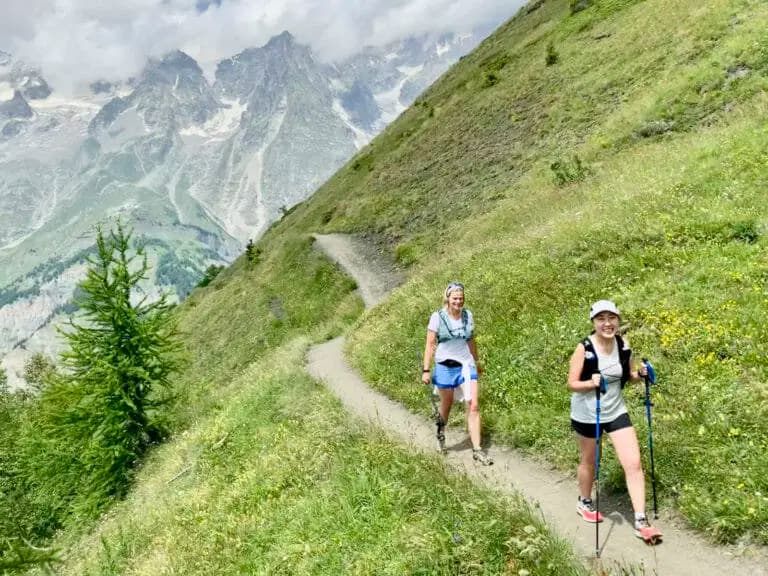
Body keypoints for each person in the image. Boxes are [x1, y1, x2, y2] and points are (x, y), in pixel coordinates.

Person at [567, 299, 663, 542]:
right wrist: (591, 383)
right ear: (594, 323)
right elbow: (572, 383)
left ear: (617, 320)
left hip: (616, 410)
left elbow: (627, 375)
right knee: (589, 461)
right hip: (588, 413)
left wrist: (639, 375)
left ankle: (641, 520)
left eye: (611, 318)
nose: (607, 323)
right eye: (601, 319)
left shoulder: (623, 344)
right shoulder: (584, 348)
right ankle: (585, 501)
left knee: (633, 463)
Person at [422, 282, 492, 465]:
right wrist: (426, 370)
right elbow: (430, 344)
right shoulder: (437, 317)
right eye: (455, 298)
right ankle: (440, 431)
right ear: (448, 298)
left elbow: (470, 340)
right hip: (445, 365)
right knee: (447, 403)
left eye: (461, 298)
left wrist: (476, 362)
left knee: (474, 404)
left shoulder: (468, 316)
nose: (458, 302)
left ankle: (477, 449)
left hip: (465, 365)